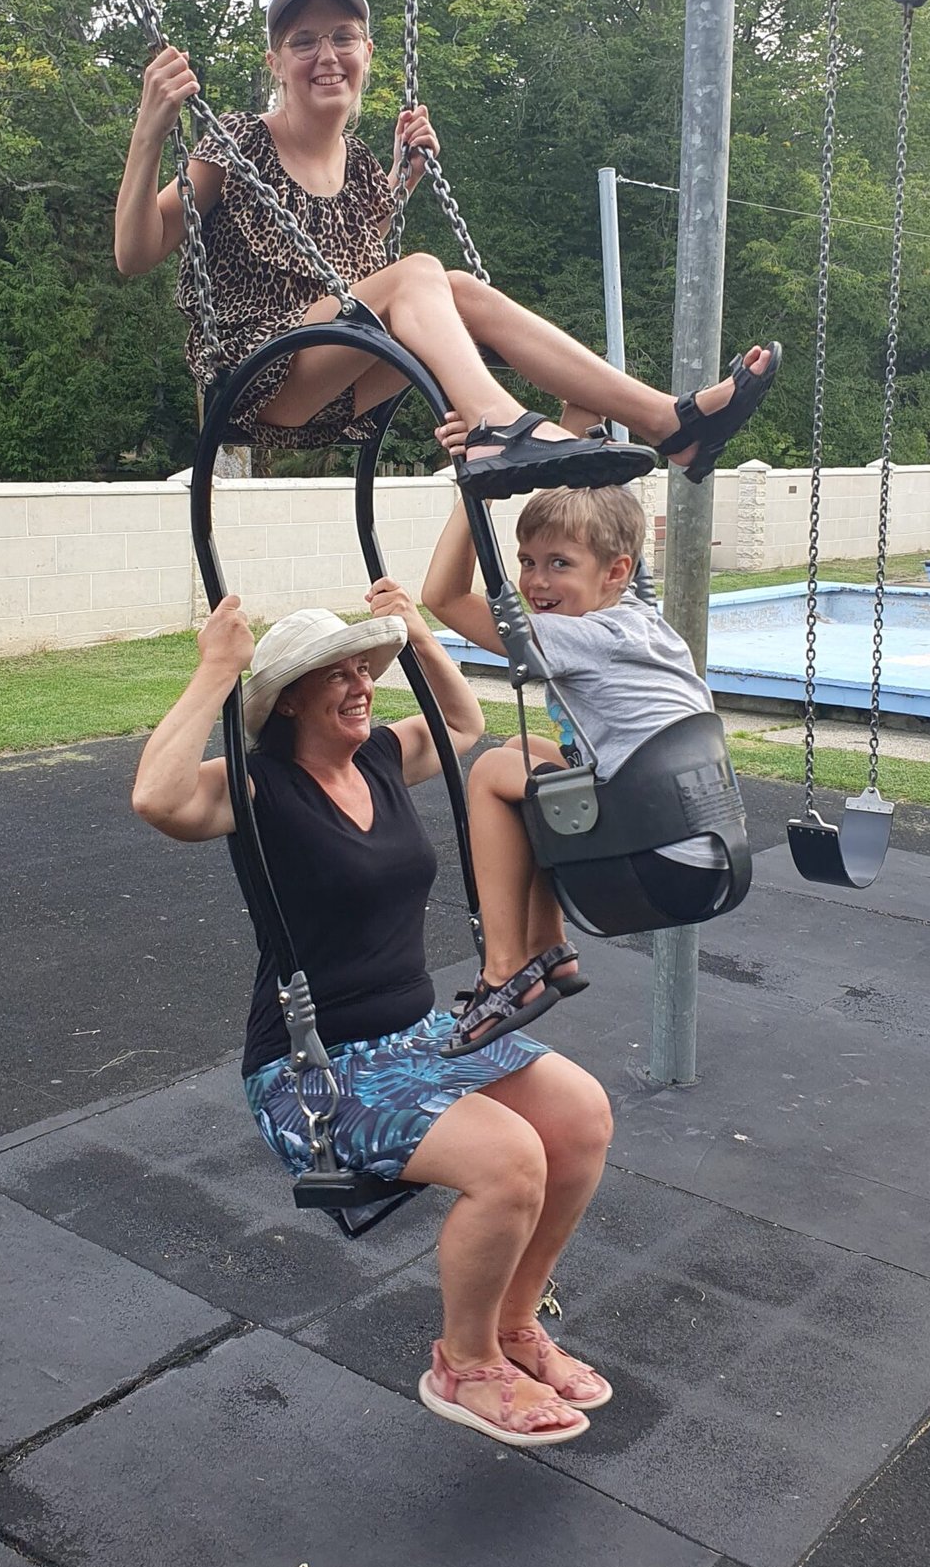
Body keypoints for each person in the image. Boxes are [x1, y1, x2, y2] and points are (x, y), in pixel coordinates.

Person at [131, 580, 617, 1449]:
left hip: (416, 1039)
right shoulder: (256, 787)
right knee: (509, 1160)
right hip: (313, 1070)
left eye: (366, 668)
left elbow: (462, 723)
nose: (362, 684)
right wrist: (215, 672)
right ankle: (464, 1364)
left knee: (580, 1114)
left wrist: (419, 633)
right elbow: (157, 799)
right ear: (288, 700)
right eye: (339, 674)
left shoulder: (384, 758)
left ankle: (514, 1325)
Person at [113, 0, 778, 498]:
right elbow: (135, 251)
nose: (326, 55)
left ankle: (670, 422)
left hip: (332, 385)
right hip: (252, 378)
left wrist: (401, 182)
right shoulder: (238, 141)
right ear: (275, 62)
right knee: (421, 273)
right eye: (303, 41)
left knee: (456, 286)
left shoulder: (362, 168)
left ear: (366, 52)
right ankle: (497, 425)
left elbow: (346, 267)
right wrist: (149, 130)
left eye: (343, 37)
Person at [423, 456, 743, 1054]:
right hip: (708, 854)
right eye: (527, 562)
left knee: (492, 771)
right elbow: (581, 474)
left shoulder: (581, 636)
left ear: (616, 570)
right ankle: (550, 946)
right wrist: (574, 436)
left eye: (559, 564)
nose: (535, 582)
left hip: (655, 864)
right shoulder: (642, 618)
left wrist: (477, 491)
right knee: (527, 751)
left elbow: (442, 597)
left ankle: (504, 971)